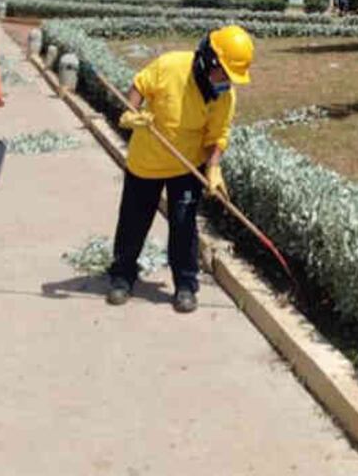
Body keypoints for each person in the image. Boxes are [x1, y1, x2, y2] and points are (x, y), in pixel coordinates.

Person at [107, 25, 255, 313]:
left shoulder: (224, 96)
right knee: (133, 223)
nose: (226, 82)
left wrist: (213, 168)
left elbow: (218, 135)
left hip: (187, 167)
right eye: (224, 73)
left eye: (231, 77)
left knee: (184, 226)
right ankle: (122, 276)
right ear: (208, 60)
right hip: (146, 162)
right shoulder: (171, 65)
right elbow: (139, 86)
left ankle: (186, 285)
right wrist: (130, 111)